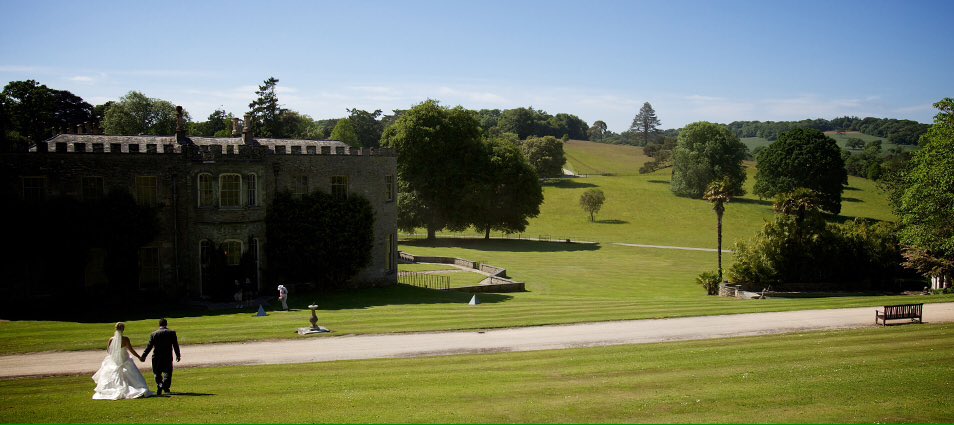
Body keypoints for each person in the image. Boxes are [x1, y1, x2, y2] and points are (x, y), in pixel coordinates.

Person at [92, 322, 153, 400]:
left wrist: (116, 354)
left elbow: (108, 351)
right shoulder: (125, 339)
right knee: (130, 373)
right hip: (125, 358)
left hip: (115, 360)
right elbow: (131, 350)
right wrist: (139, 357)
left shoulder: (111, 339)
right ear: (123, 329)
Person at [140, 318, 181, 396]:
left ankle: (160, 384)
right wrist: (178, 355)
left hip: (156, 356)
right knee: (168, 372)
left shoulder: (154, 334)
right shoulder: (171, 333)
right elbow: (175, 345)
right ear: (166, 324)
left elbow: (149, 346)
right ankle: (166, 387)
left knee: (157, 372)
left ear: (159, 325)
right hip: (167, 356)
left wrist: (144, 356)